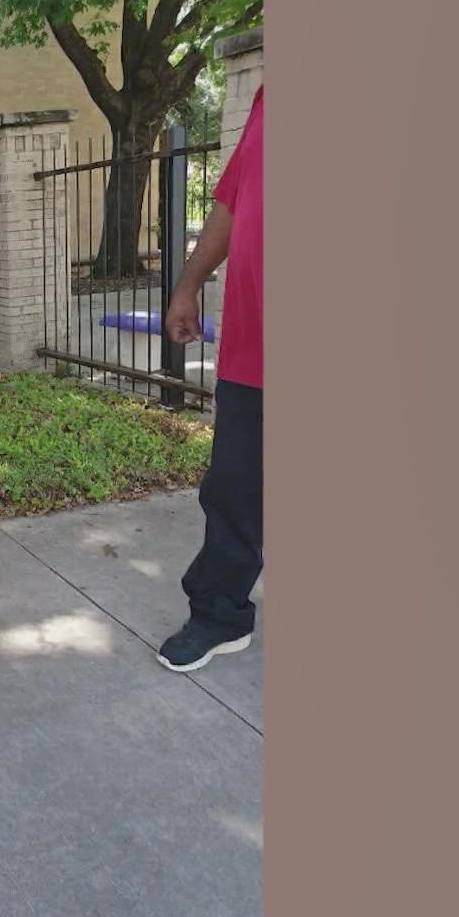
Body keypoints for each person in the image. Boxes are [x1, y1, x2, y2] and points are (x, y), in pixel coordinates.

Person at [156, 84, 265, 673]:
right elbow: (230, 200)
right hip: (255, 344)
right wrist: (189, 283)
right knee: (234, 488)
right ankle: (220, 614)